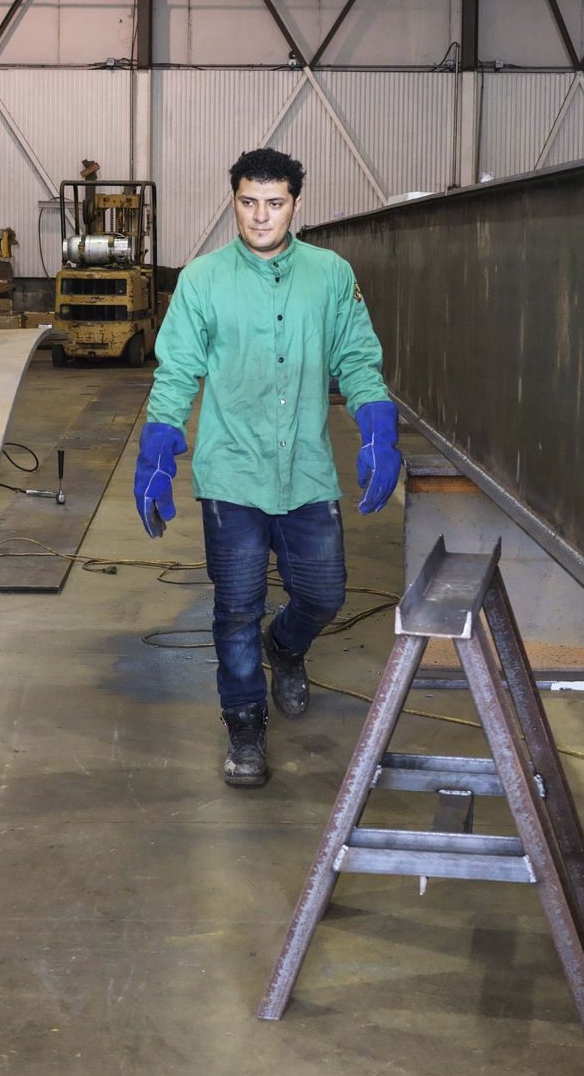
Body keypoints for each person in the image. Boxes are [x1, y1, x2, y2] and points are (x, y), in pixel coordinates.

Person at [134, 147, 402, 788]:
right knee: (234, 610)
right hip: (231, 471)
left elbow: (358, 359)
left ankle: (287, 648)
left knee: (325, 592)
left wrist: (377, 426)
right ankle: (246, 726)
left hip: (306, 469)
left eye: (275, 203)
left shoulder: (331, 275)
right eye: (249, 202)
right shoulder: (201, 280)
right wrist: (157, 447)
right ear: (234, 201)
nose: (261, 216)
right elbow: (176, 371)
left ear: (296, 205)